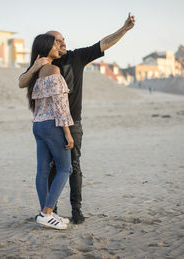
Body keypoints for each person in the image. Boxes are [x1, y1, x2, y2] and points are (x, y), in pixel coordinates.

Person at [19, 12, 136, 224]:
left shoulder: (76, 57)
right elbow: (23, 81)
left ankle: (75, 210)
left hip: (67, 124)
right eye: (58, 41)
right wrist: (35, 67)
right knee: (56, 168)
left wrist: (124, 29)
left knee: (72, 167)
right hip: (56, 125)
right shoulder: (44, 65)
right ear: (48, 44)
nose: (63, 43)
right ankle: (49, 210)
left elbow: (104, 43)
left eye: (63, 40)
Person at [24, 34, 74, 230]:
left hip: (38, 125)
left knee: (42, 171)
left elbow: (38, 103)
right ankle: (47, 213)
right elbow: (60, 106)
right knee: (64, 168)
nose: (58, 46)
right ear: (45, 47)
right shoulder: (53, 69)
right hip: (53, 125)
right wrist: (68, 134)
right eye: (54, 44)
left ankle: (45, 213)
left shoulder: (39, 72)